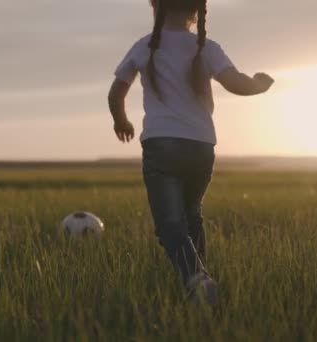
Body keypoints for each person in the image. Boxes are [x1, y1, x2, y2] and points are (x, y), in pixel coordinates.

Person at [107, 0, 274, 304]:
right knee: (191, 214)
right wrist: (258, 85)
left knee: (169, 224)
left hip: (162, 146)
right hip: (201, 148)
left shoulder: (145, 46)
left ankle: (197, 279)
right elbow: (235, 83)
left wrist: (121, 120)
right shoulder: (206, 48)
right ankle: (200, 280)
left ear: (155, 6)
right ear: (197, 12)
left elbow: (117, 90)